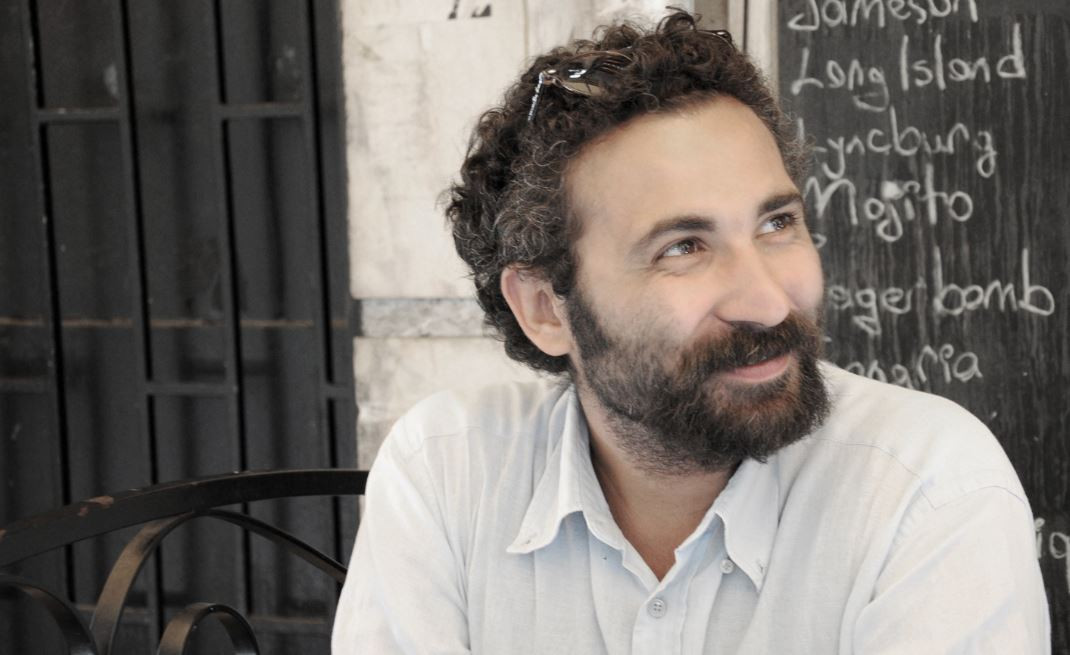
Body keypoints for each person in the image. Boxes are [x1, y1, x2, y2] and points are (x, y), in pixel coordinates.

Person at [332, 10, 1049, 653]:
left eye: (778, 223)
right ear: (546, 308)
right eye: (683, 247)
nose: (768, 303)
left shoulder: (925, 490)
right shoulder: (449, 475)